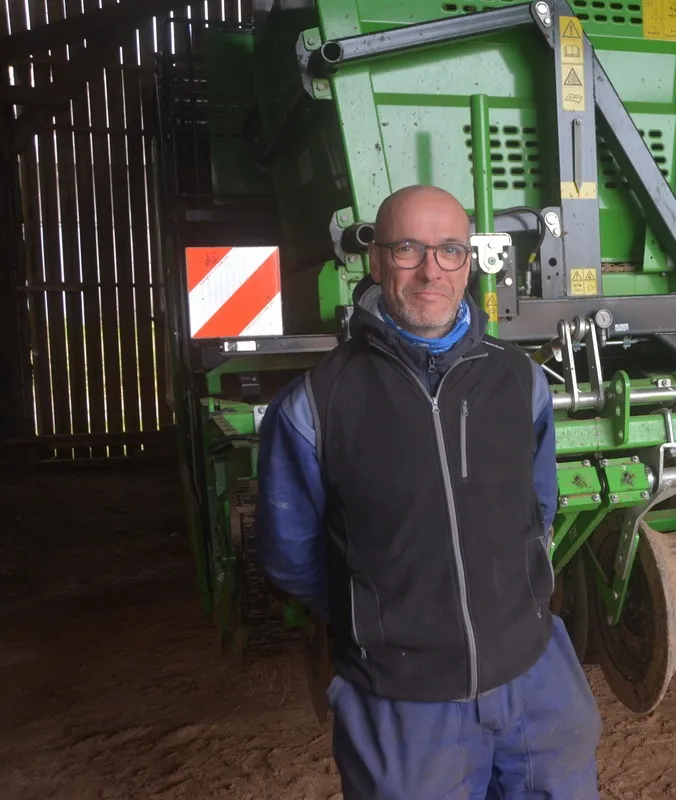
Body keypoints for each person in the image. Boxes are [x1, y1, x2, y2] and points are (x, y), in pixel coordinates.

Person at [254, 185, 602, 799]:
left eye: (449, 251)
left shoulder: (520, 381)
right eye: (408, 248)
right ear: (376, 260)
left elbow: (539, 509)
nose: (429, 270)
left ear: (469, 262)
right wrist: (387, 625)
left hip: (534, 680)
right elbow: (292, 557)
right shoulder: (315, 405)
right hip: (402, 703)